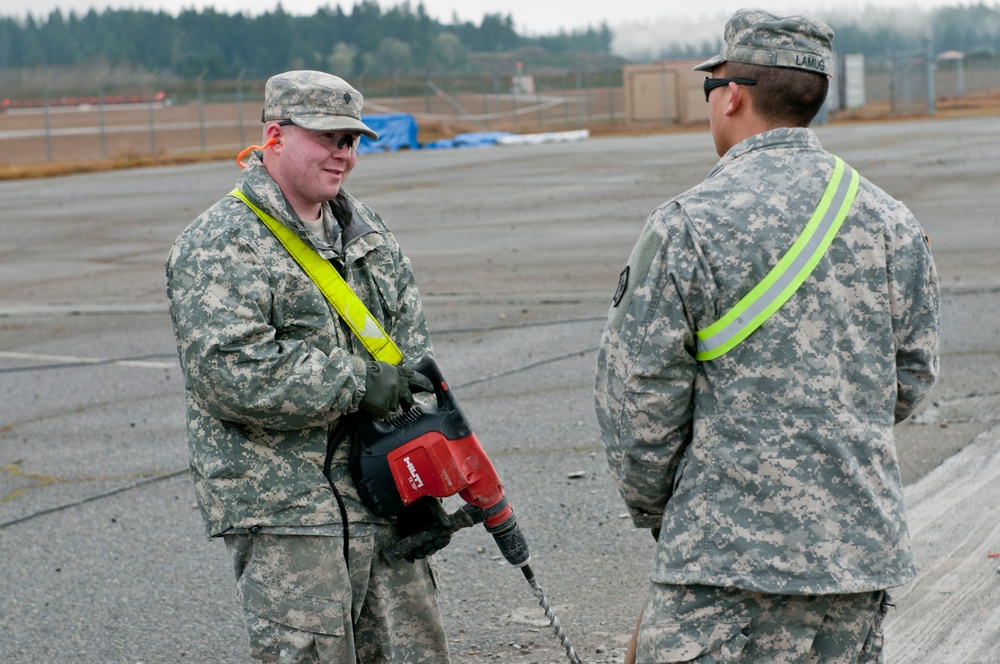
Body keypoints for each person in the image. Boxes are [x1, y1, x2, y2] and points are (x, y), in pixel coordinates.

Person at [595, 9, 939, 663]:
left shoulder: (686, 226)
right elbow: (913, 375)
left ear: (731, 95)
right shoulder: (892, 221)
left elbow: (637, 403)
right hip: (856, 556)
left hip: (723, 565)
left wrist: (672, 513)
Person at [165, 70, 451, 663]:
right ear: (275, 135)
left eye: (352, 140)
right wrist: (359, 384)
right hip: (291, 512)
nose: (343, 153)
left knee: (414, 653)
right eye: (327, 137)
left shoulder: (366, 232)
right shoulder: (222, 241)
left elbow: (409, 352)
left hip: (386, 498)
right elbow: (232, 374)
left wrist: (422, 470)